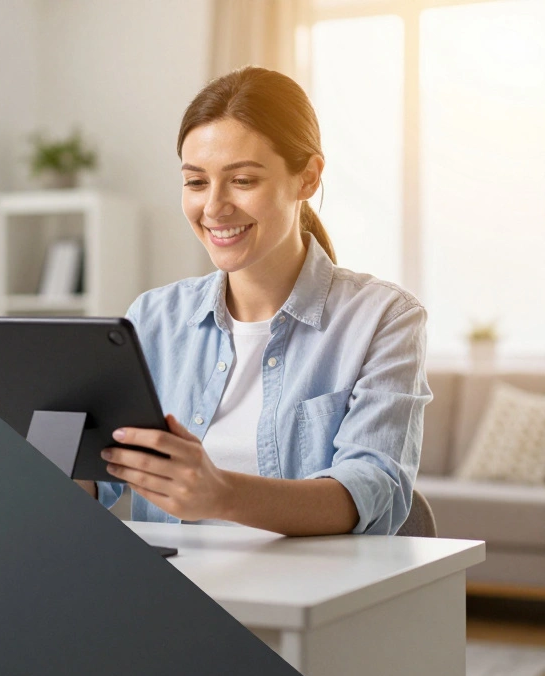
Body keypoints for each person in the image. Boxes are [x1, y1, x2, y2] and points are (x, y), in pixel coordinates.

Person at [76, 66, 431, 536]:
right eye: (196, 182)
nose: (214, 207)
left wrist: (219, 493)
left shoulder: (383, 318)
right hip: (169, 594)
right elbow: (106, 478)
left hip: (312, 597)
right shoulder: (153, 317)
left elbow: (369, 490)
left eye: (242, 180)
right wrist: (55, 467)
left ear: (307, 178)